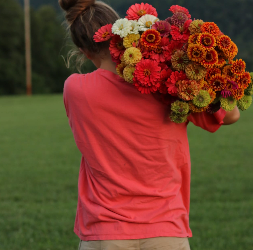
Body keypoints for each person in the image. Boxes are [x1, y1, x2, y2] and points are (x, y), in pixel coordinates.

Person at [59, 0, 240, 249]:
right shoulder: (169, 83)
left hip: (105, 232)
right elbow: (231, 116)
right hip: (166, 228)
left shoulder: (75, 89)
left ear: (83, 51)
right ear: (123, 32)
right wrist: (198, 69)